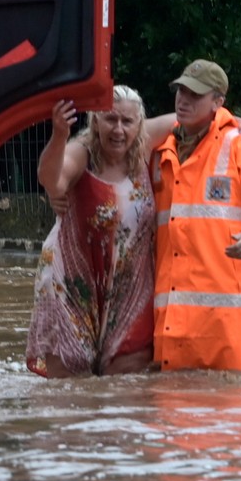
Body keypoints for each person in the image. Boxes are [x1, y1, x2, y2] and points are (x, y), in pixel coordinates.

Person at [150, 58, 241, 377]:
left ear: (219, 102)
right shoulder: (163, 153)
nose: (183, 100)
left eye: (195, 95)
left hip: (237, 346)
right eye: (180, 91)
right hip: (176, 341)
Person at [26, 85, 173, 377]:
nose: (118, 129)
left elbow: (194, 116)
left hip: (129, 286)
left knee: (126, 378)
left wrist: (237, 126)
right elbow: (51, 180)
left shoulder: (143, 146)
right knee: (71, 383)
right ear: (95, 122)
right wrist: (59, 135)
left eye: (127, 122)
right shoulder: (83, 153)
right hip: (72, 280)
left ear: (139, 124)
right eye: (110, 120)